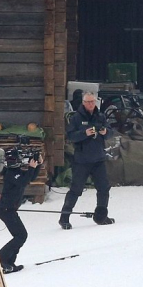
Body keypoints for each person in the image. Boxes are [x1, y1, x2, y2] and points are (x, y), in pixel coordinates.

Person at [60, 91, 115, 229]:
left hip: (99, 159)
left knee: (103, 188)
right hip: (82, 160)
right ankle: (64, 217)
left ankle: (101, 216)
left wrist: (105, 132)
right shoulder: (76, 118)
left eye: (92, 101)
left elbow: (110, 132)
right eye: (88, 102)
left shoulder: (100, 116)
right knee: (76, 189)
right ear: (83, 103)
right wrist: (84, 133)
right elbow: (71, 136)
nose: (90, 104)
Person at [0, 151, 43, 274]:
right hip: (6, 210)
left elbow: (30, 177)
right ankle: (0, 259)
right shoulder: (11, 173)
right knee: (21, 235)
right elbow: (23, 181)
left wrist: (37, 165)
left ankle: (10, 262)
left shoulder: (16, 172)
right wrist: (31, 168)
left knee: (20, 236)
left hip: (10, 210)